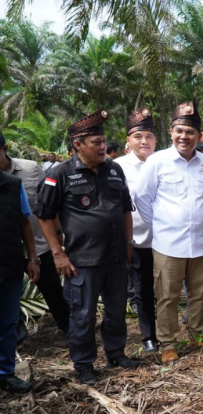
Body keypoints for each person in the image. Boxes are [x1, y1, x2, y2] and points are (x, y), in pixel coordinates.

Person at [37, 109, 139, 384]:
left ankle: (116, 353)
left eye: (104, 140)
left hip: (117, 256)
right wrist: (58, 254)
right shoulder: (60, 175)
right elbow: (44, 216)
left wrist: (129, 241)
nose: (103, 146)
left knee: (117, 309)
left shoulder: (115, 169)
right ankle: (84, 365)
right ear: (78, 145)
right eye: (97, 142)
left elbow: (126, 210)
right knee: (82, 315)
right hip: (83, 260)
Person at [135, 101, 203, 364]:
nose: (184, 136)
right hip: (169, 244)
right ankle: (168, 342)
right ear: (171, 132)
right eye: (179, 131)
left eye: (190, 132)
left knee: (199, 293)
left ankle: (196, 333)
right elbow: (142, 199)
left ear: (197, 135)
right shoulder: (157, 161)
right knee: (168, 296)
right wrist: (163, 226)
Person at [1, 133, 71, 339]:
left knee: (52, 289)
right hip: (7, 250)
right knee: (9, 294)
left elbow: (50, 204)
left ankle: (67, 325)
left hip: (39, 244)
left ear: (5, 149)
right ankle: (17, 330)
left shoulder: (31, 169)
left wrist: (58, 233)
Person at [115, 107, 158, 354]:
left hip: (165, 239)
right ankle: (148, 335)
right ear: (128, 141)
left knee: (165, 288)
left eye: (149, 137)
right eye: (138, 136)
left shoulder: (163, 162)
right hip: (136, 240)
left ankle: (165, 331)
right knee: (140, 289)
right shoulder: (117, 167)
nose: (144, 142)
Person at [0, 165, 39, 393]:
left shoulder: (13, 185)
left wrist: (33, 258)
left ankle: (4, 373)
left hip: (9, 263)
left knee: (7, 324)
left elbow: (26, 223)